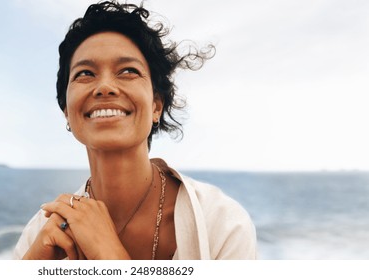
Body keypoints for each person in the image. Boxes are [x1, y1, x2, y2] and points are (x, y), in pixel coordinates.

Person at [14, 1, 257, 260]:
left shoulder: (222, 225)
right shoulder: (41, 233)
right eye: (85, 73)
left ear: (156, 106)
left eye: (128, 71)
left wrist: (111, 257)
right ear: (67, 111)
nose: (105, 87)